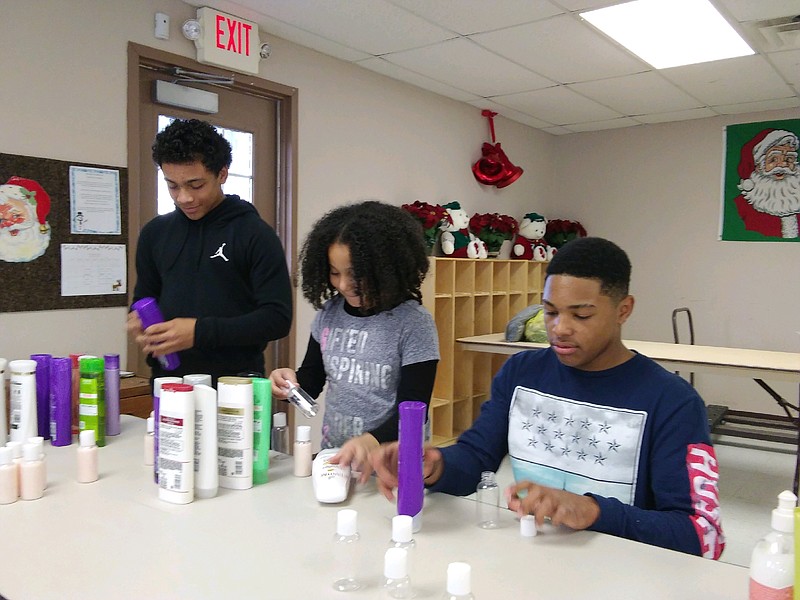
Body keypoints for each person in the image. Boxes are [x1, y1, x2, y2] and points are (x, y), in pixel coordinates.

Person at [372, 237, 725, 559]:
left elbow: (700, 535)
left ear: (623, 310)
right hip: (527, 563)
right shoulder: (521, 373)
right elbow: (477, 456)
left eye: (581, 314)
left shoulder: (672, 401)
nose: (560, 328)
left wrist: (594, 511)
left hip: (617, 574)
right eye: (551, 311)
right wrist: (435, 465)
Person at [269, 200, 439, 480]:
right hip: (337, 462)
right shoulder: (329, 315)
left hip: (393, 468)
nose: (344, 285)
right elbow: (310, 381)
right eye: (335, 273)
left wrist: (370, 441)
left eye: (356, 274)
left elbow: (414, 409)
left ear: (386, 269)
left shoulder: (413, 323)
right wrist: (289, 386)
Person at [128, 118, 292, 385]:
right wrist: (139, 321)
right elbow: (144, 298)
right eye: (172, 185)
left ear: (222, 174)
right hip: (168, 383)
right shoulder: (154, 234)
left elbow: (277, 318)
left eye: (196, 185)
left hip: (235, 387)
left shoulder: (254, 234)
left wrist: (198, 331)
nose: (184, 197)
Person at [734, 128, 800, 239]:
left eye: (789, 159)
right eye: (774, 159)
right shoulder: (741, 207)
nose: (783, 164)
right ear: (759, 166)